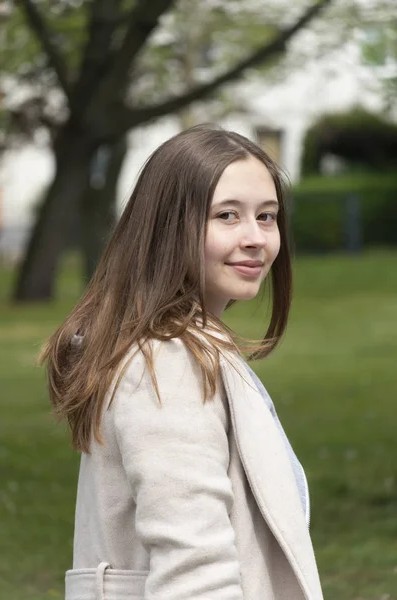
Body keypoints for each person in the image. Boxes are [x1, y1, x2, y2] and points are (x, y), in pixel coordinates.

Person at [41, 125, 323, 600]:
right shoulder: (166, 363)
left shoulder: (176, 347)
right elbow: (195, 572)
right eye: (227, 215)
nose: (256, 238)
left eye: (267, 216)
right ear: (169, 226)